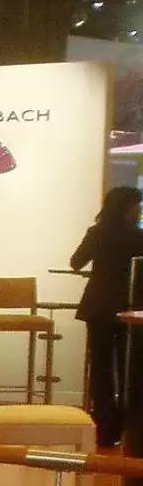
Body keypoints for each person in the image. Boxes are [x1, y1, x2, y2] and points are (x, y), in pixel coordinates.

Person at [70, 185, 143, 447]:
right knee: (128, 371)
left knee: (101, 370)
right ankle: (129, 430)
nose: (139, 211)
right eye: (137, 206)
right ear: (127, 207)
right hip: (129, 309)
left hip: (98, 307)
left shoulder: (96, 232)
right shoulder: (138, 236)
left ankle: (104, 430)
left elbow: (76, 262)